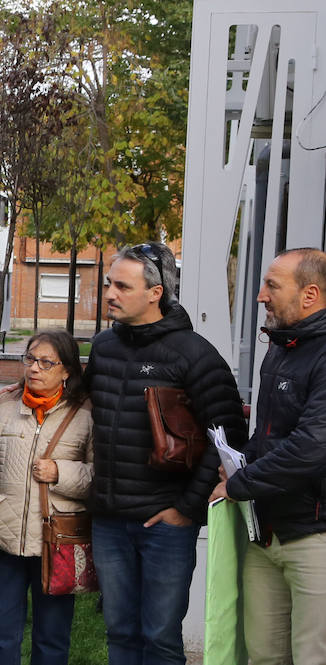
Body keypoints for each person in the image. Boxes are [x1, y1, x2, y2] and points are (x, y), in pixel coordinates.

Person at [84, 242, 244, 665]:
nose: (110, 294)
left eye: (122, 285)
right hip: (110, 521)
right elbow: (82, 402)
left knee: (159, 638)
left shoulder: (194, 354)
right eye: (109, 284)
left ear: (155, 293)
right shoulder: (103, 347)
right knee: (119, 633)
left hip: (165, 526)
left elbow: (227, 434)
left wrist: (186, 510)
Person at [209, 248, 326, 663]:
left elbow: (312, 447)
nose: (260, 295)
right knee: (262, 655)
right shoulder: (281, 346)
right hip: (266, 534)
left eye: (272, 286)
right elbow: (267, 435)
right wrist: (236, 465)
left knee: (312, 656)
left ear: (309, 294)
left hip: (315, 538)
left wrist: (239, 483)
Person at [0, 330, 92, 665]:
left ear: (67, 370)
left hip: (56, 542)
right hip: (6, 540)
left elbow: (99, 477)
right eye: (30, 359)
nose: (34, 368)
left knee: (52, 639)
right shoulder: (4, 407)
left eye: (47, 362)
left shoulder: (86, 415)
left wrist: (60, 473)